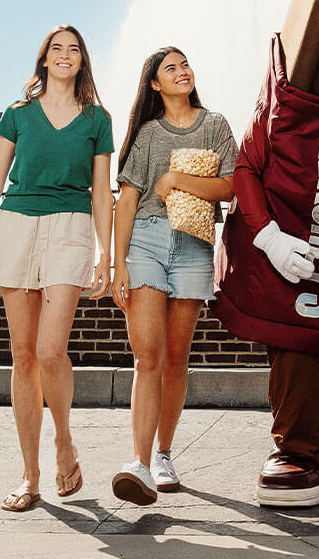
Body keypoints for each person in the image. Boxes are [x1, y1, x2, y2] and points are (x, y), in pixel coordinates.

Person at [0, 25, 113, 513]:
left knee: (50, 352)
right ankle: (30, 474)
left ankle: (64, 439)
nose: (65, 56)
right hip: (18, 223)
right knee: (22, 357)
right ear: (44, 60)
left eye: (74, 50)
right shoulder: (18, 115)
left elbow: (102, 192)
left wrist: (106, 252)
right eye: (56, 49)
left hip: (70, 227)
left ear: (82, 62)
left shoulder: (97, 120)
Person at [108, 48, 237, 505]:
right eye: (171, 68)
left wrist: (177, 179)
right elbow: (126, 200)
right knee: (149, 357)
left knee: (178, 358)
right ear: (155, 85)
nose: (182, 72)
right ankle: (139, 465)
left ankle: (164, 453)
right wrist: (116, 262)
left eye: (185, 65)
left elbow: (230, 185)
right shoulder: (146, 134)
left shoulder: (216, 125)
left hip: (194, 245)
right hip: (145, 239)